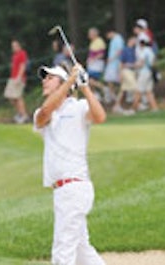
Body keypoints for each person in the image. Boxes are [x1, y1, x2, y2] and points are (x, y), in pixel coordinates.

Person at [34, 63, 106, 265]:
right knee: (83, 251)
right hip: (63, 190)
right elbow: (44, 114)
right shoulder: (43, 112)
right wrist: (70, 81)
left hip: (74, 187)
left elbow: (100, 116)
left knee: (63, 251)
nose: (44, 81)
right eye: (44, 77)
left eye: (50, 77)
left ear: (63, 82)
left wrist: (84, 87)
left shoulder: (79, 107)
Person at [4, 39, 29, 124]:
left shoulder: (22, 53)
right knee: (11, 97)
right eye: (12, 46)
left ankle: (23, 115)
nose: (13, 48)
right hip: (13, 78)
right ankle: (20, 113)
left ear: (19, 46)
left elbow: (23, 66)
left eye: (15, 46)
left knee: (18, 97)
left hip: (18, 78)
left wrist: (19, 77)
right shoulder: (14, 56)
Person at [132, 35, 159, 112]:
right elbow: (153, 62)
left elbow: (141, 63)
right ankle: (155, 108)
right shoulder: (150, 50)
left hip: (144, 72)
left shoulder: (144, 51)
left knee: (138, 91)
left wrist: (132, 65)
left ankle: (133, 109)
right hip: (149, 72)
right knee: (148, 91)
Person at [112, 36, 137, 115]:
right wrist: (120, 74)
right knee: (136, 88)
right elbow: (121, 63)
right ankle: (134, 107)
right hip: (126, 71)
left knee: (123, 90)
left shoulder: (133, 50)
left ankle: (116, 106)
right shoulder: (125, 50)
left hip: (131, 71)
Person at [86, 27, 109, 104]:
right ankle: (96, 95)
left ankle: (103, 88)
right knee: (91, 81)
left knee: (90, 80)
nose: (89, 35)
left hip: (96, 64)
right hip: (93, 64)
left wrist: (93, 59)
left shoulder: (99, 42)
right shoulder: (93, 42)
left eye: (90, 34)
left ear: (94, 34)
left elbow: (101, 54)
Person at [103, 28, 124, 104]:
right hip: (111, 63)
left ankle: (117, 95)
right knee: (109, 79)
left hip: (115, 62)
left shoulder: (118, 39)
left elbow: (119, 50)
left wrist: (112, 58)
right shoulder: (113, 40)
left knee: (115, 79)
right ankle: (113, 94)